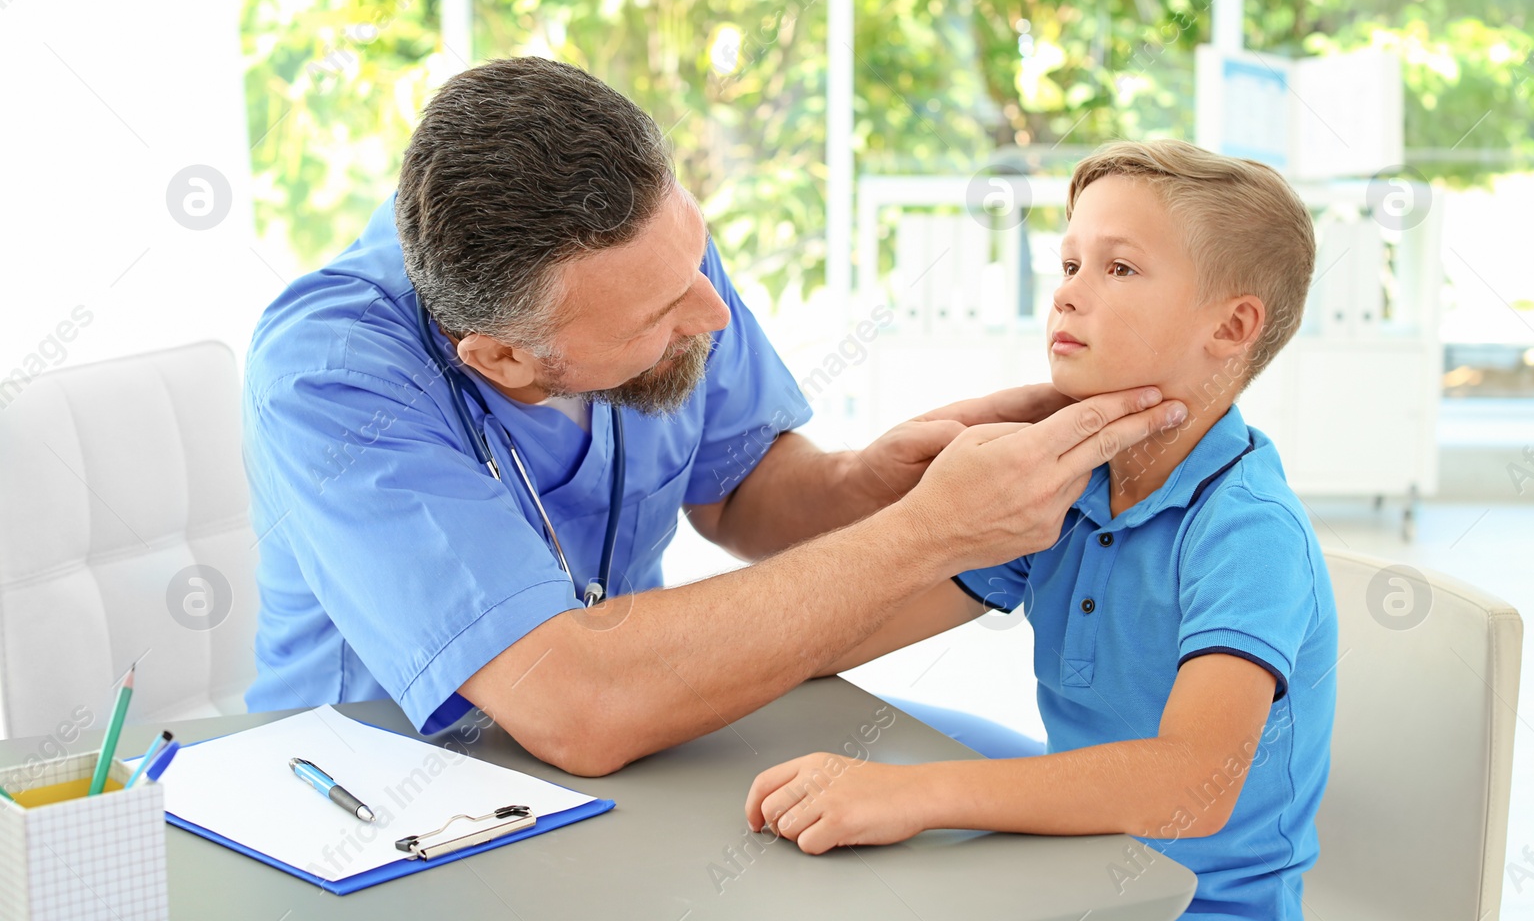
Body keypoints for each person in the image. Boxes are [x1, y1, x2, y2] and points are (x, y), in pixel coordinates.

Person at [241, 57, 1186, 777]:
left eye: (694, 262)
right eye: (660, 317)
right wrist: (928, 534)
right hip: (383, 796)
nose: (713, 314)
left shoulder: (647, 252)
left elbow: (741, 493)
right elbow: (576, 702)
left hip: (631, 761)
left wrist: (875, 482)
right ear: (501, 357)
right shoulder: (330, 378)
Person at [746, 140, 1338, 921]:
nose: (1066, 295)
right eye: (1067, 265)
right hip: (1077, 867)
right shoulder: (1069, 485)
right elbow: (848, 631)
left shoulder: (1247, 530)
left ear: (1231, 326)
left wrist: (911, 796)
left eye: (1117, 268)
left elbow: (1190, 782)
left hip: (1198, 910)